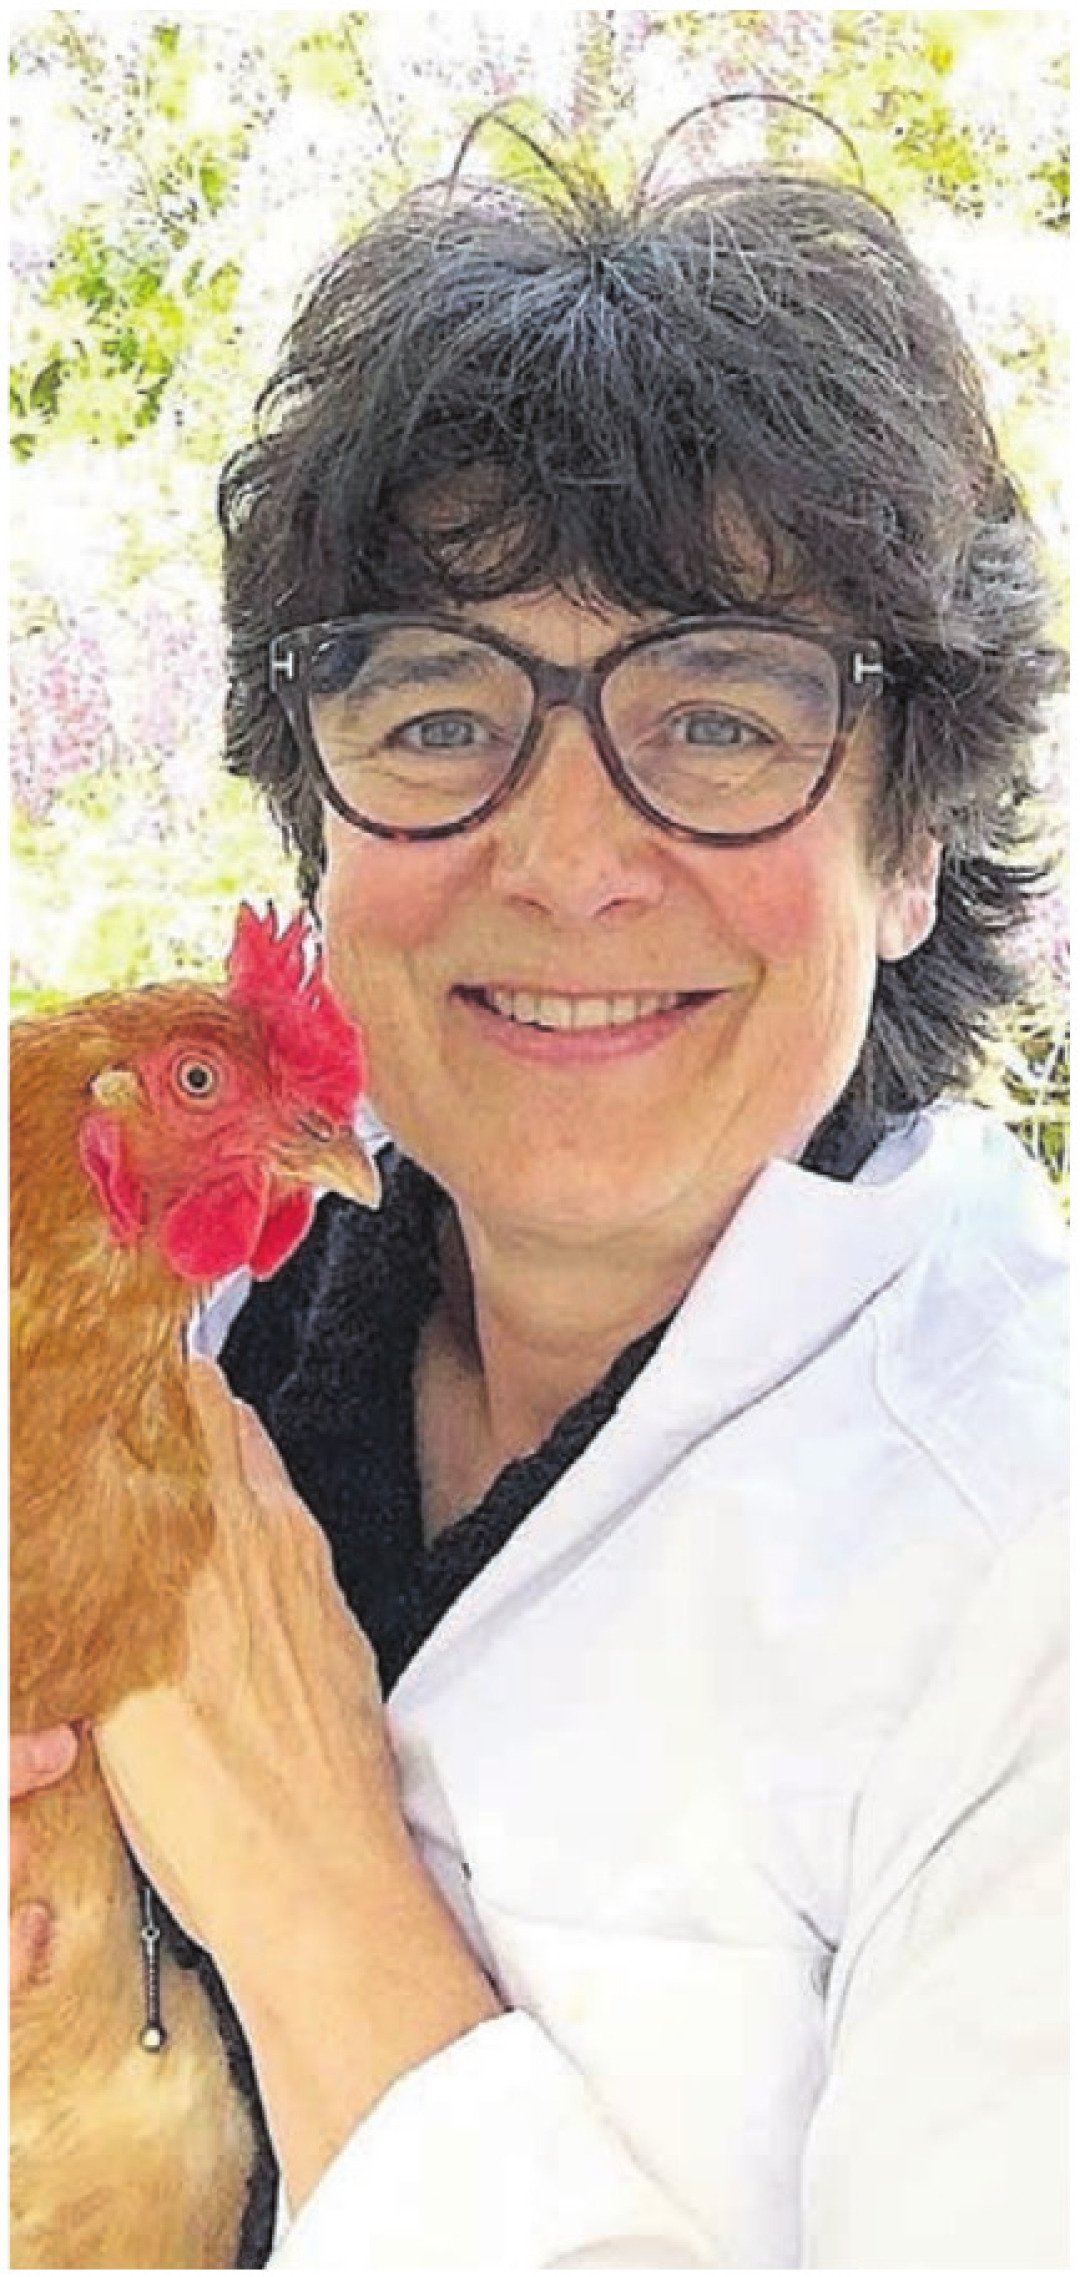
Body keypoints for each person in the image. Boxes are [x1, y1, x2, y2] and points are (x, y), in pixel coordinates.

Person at [12, 119, 1068, 2269]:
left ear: (909, 844)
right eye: (435, 715)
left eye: (720, 717)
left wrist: (315, 1897)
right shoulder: (187, 1348)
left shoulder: (1022, 1555)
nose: (570, 859)